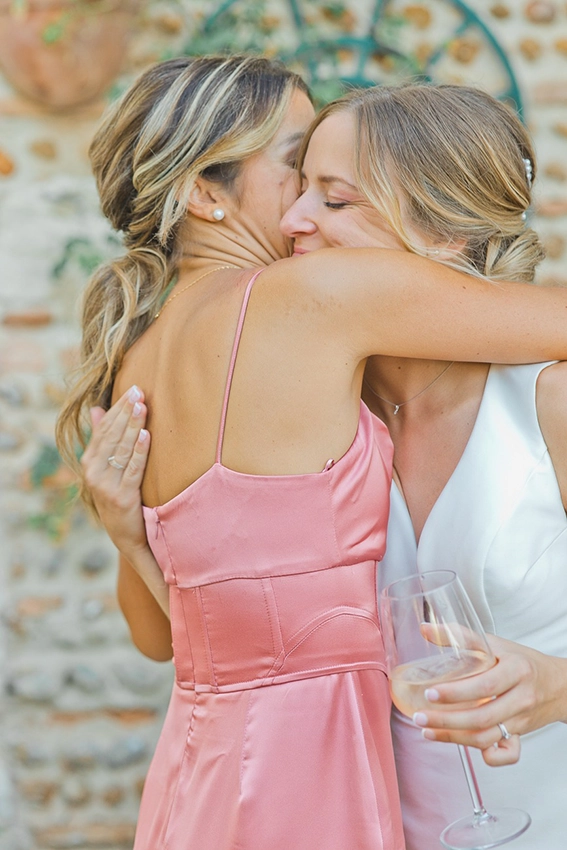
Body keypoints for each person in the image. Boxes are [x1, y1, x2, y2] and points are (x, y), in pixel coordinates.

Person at [57, 56, 567, 850]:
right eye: (293, 172)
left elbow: (173, 641)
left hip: (205, 775)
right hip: (314, 773)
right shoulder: (313, 316)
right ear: (202, 192)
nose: (299, 214)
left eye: (327, 193)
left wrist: (129, 535)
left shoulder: (144, 355)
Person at [281, 85, 567, 850]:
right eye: (297, 189)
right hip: (381, 825)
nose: (292, 222)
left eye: (335, 200)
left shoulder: (549, 403)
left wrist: (556, 685)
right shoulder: (315, 418)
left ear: (443, 230)